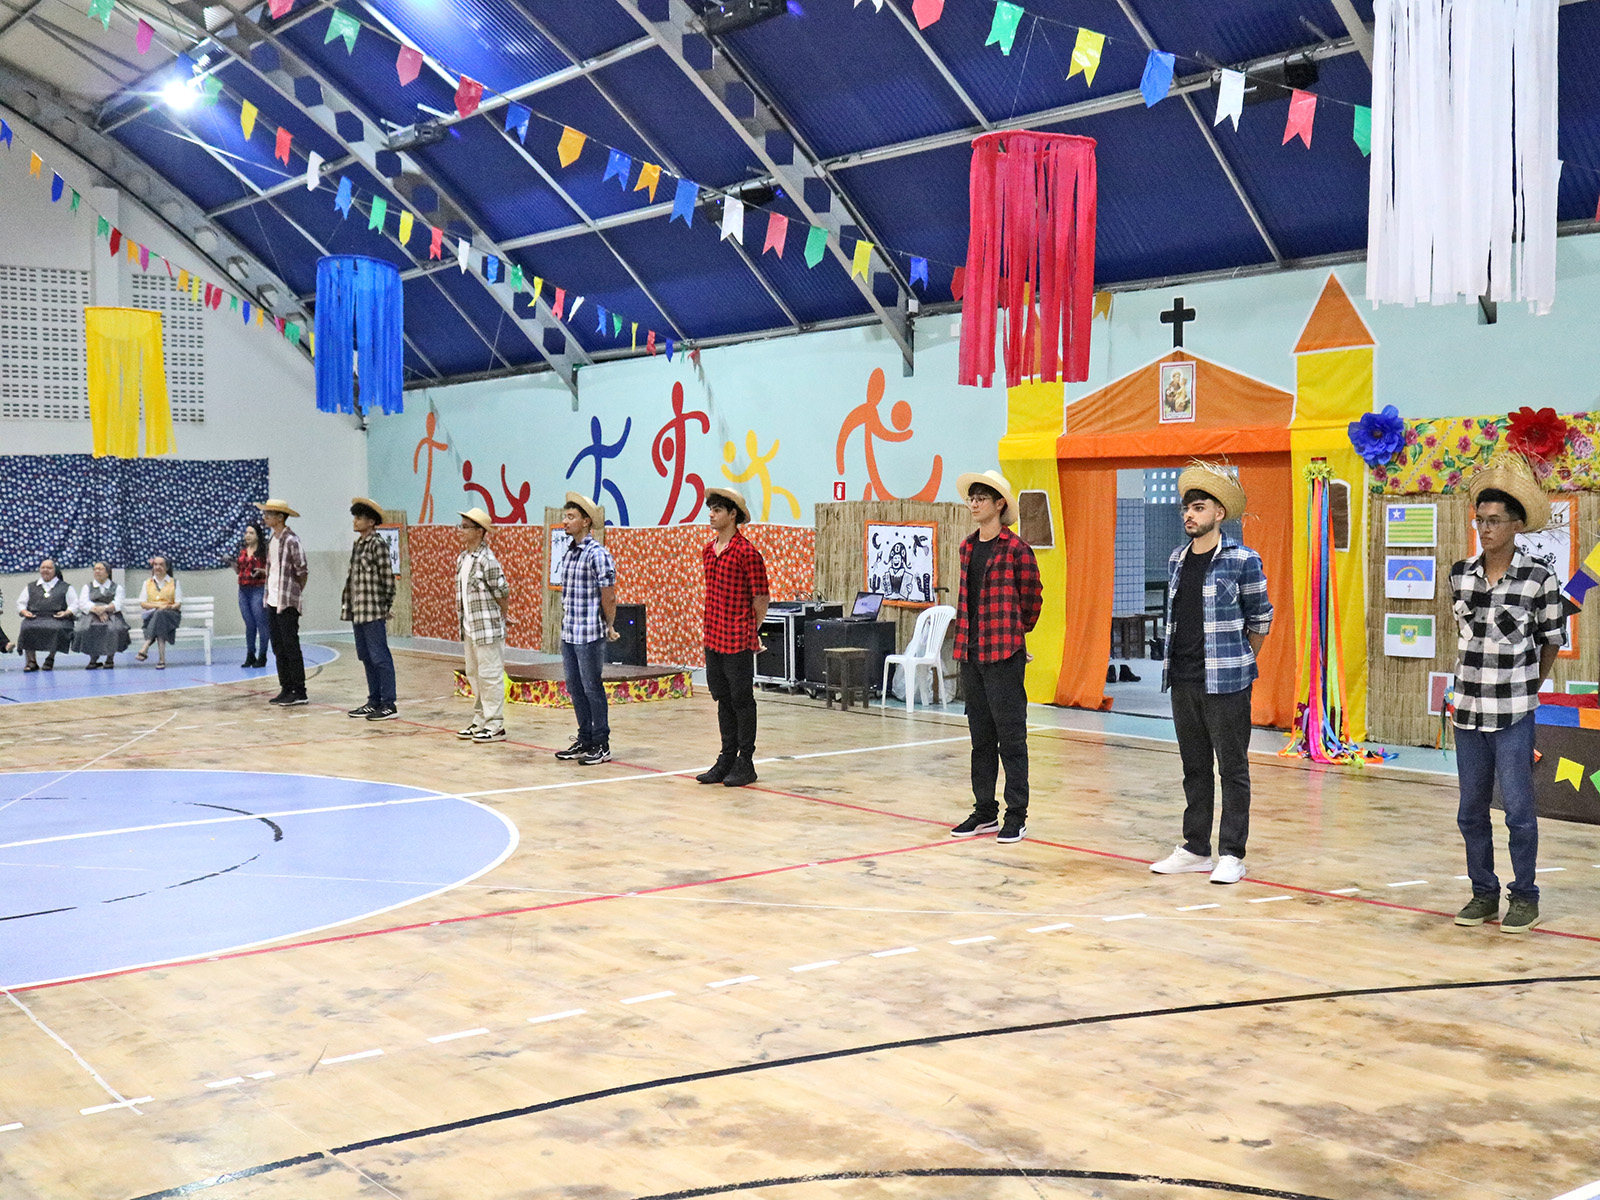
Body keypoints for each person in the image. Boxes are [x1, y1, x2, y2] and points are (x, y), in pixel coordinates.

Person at [1450, 455, 1564, 935]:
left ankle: (1525, 897)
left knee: (1518, 811)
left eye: (1495, 520)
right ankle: (1483, 893)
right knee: (1470, 812)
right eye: (1480, 519)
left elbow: (1551, 640)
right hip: (1467, 711)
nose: (1485, 528)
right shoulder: (1459, 574)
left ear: (1517, 525)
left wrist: (1530, 686)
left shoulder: (1539, 578)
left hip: (1514, 711)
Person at [1149, 462, 1273, 885]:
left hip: (1227, 682)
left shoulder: (1243, 560)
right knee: (1194, 767)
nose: (1189, 515)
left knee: (1232, 770)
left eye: (1199, 508)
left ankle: (1232, 853)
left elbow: (1260, 619)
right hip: (1182, 679)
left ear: (1219, 513)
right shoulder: (1176, 560)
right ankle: (1195, 848)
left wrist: (1238, 661)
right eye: (1187, 508)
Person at [947, 470, 1043, 844]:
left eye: (980, 498)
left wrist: (1014, 633)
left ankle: (1016, 815)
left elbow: (1032, 599)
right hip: (971, 652)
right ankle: (984, 810)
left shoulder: (1017, 549)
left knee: (1012, 739)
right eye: (971, 499)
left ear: (999, 504)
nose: (974, 504)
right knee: (980, 738)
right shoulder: (967, 547)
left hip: (1003, 653)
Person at [695, 487, 768, 788]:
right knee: (722, 698)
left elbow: (760, 596)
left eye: (717, 510)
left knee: (741, 699)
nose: (711, 515)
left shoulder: (746, 552)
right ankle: (726, 757)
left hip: (737, 636)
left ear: (732, 514)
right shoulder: (708, 551)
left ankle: (745, 760)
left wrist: (752, 628)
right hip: (713, 635)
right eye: (710, 510)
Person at [554, 491, 619, 766]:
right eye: (565, 516)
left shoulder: (597, 554)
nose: (565, 521)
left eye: (571, 517)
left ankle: (601, 743)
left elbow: (608, 595)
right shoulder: (569, 553)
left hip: (589, 632)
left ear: (586, 521)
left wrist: (610, 625)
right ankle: (585, 738)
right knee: (574, 686)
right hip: (569, 632)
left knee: (592, 686)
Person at [455, 506, 511, 743]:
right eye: (461, 527)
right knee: (474, 674)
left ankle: (495, 723)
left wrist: (504, 615)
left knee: (490, 675)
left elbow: (502, 591)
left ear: (479, 532)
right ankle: (480, 719)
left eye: (466, 528)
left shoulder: (488, 560)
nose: (461, 531)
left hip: (487, 628)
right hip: (470, 627)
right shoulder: (463, 558)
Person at [341, 497, 399, 721]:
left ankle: (388, 703)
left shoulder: (377, 544)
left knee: (379, 656)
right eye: (355, 517)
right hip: (358, 611)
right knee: (365, 656)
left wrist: (384, 606)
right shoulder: (358, 545)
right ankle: (373, 700)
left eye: (359, 518)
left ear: (371, 522)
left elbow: (387, 580)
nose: (355, 521)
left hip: (373, 611)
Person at [259, 498, 309, 706]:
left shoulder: (291, 540)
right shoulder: (272, 540)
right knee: (278, 647)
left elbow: (302, 570)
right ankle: (286, 688)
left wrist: (294, 593)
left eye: (269, 514)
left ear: (280, 517)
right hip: (272, 600)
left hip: (287, 601)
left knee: (291, 646)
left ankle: (299, 690)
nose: (265, 517)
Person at [15, 559, 75, 672]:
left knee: (58, 629)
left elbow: (74, 605)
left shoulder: (65, 587)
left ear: (55, 570)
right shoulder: (31, 586)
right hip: (35, 617)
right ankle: (31, 661)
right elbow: (20, 603)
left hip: (57, 618)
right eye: (43, 567)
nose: (45, 570)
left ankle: (50, 658)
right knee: (27, 628)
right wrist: (24, 612)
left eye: (49, 568)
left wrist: (66, 612)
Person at [73, 562, 130, 669]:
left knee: (114, 629)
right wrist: (97, 610)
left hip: (111, 614)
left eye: (100, 569)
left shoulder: (117, 587)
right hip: (91, 615)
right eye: (95, 569)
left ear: (107, 572)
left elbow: (118, 603)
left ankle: (110, 657)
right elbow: (83, 603)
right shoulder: (87, 587)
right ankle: (93, 658)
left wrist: (104, 609)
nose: (97, 571)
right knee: (87, 629)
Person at [135, 555, 183, 669]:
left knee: (161, 614)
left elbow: (178, 604)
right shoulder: (147, 583)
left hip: (170, 616)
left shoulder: (174, 582)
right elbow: (143, 603)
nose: (158, 567)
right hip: (152, 615)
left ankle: (146, 645)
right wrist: (158, 606)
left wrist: (168, 607)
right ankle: (162, 660)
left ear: (167, 567)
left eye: (161, 565)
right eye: (155, 564)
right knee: (159, 619)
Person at [236, 521, 270, 669]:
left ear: (257, 535)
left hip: (258, 588)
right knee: (249, 623)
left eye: (251, 533)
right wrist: (233, 564)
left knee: (261, 622)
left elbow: (272, 570)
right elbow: (239, 570)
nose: (247, 535)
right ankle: (250, 654)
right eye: (246, 533)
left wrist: (261, 571)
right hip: (243, 589)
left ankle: (262, 655)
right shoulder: (243, 551)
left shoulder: (264, 552)